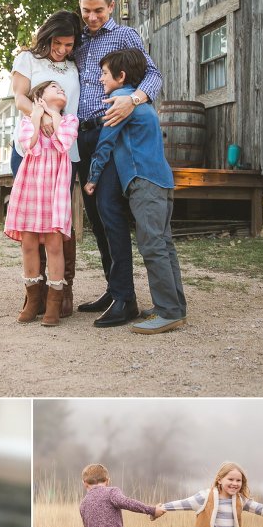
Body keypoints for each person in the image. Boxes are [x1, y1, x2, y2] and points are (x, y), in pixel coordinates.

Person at [73, 0, 163, 327]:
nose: (92, 17)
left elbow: (153, 76)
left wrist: (132, 99)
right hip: (82, 138)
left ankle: (126, 299)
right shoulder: (78, 41)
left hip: (110, 132)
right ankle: (114, 288)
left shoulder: (125, 36)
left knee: (110, 208)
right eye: (86, 11)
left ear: (110, 6)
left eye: (98, 10)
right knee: (95, 217)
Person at [84, 48, 186, 332]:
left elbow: (105, 143)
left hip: (144, 182)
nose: (101, 79)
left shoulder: (120, 103)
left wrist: (92, 178)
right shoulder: (142, 103)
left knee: (152, 245)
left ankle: (168, 313)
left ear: (121, 76)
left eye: (104, 74)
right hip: (162, 180)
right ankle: (174, 306)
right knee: (164, 244)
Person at [10, 10, 82, 317]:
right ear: (48, 35)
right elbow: (19, 97)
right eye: (59, 42)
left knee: (57, 222)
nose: (64, 49)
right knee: (31, 220)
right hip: (32, 146)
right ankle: (34, 295)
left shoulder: (73, 66)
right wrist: (42, 121)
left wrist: (59, 125)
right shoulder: (27, 59)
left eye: (69, 44)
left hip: (65, 151)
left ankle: (61, 291)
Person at [4, 81, 78, 327]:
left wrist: (53, 114)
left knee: (55, 244)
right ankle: (33, 299)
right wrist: (36, 116)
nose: (61, 90)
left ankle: (54, 303)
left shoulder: (69, 121)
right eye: (55, 87)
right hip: (31, 187)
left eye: (63, 89)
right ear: (39, 95)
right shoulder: (27, 120)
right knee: (29, 243)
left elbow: (64, 143)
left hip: (54, 189)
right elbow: (28, 145)